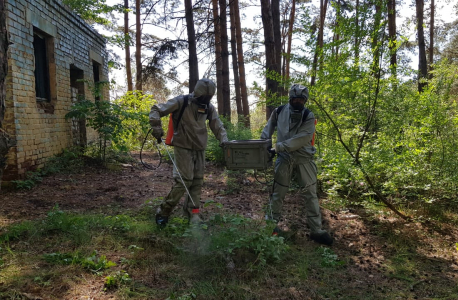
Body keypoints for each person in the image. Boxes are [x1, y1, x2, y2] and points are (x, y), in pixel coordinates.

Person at [260, 84, 333, 245]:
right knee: (278, 193)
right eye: (296, 99)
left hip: (304, 159)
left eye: (302, 99)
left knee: (310, 195)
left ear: (305, 100)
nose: (298, 102)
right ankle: (270, 226)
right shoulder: (278, 112)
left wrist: (277, 147)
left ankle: (316, 230)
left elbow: (303, 138)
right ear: (290, 98)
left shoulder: (308, 115)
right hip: (284, 159)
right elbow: (267, 130)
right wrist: (262, 146)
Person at [149, 78, 228, 226]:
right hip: (182, 145)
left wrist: (224, 140)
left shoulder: (208, 107)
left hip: (199, 147)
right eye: (204, 96)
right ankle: (164, 211)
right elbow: (156, 109)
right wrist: (156, 127)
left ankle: (193, 214)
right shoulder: (181, 101)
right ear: (198, 93)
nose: (206, 99)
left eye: (209, 97)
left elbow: (217, 125)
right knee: (184, 181)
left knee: (197, 181)